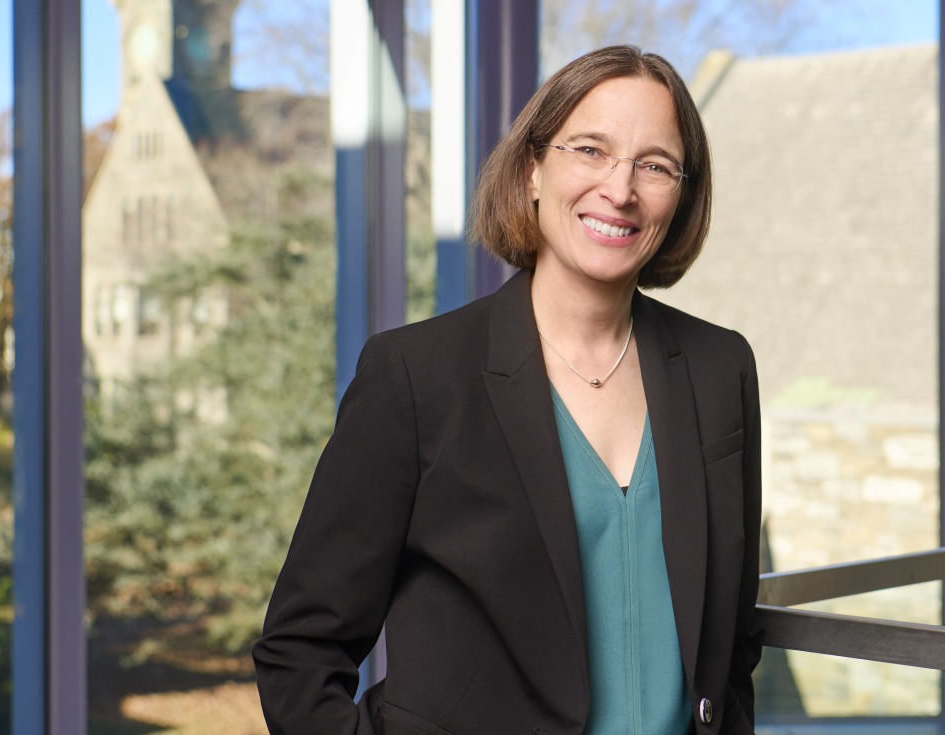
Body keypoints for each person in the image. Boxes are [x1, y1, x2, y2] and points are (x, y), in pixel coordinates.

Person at [254, 45, 762, 735]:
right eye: (590, 149)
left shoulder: (719, 369)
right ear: (531, 170)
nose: (621, 188)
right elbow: (300, 649)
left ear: (681, 194)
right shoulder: (417, 375)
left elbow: (730, 649)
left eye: (655, 165)